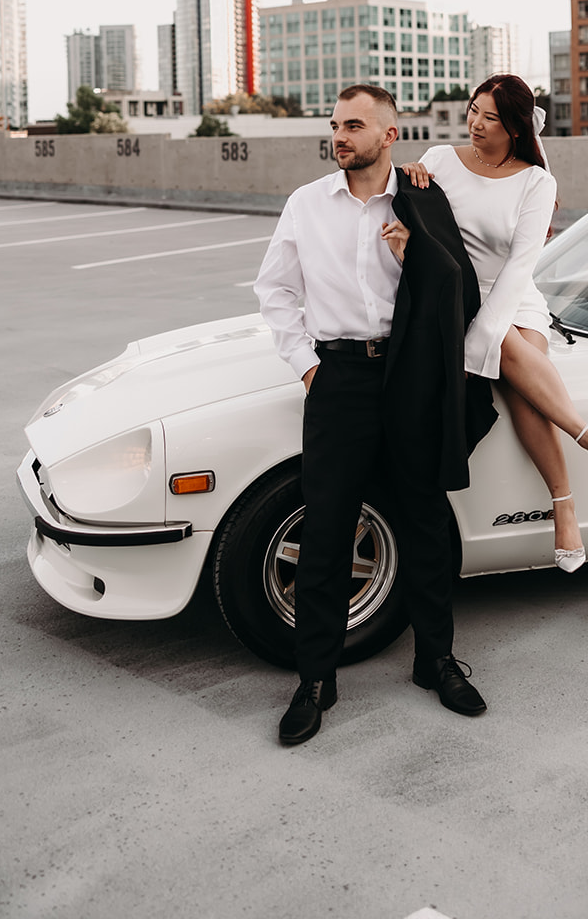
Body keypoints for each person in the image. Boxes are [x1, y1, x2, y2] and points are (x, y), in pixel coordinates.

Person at [254, 84, 495, 747]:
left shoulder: (421, 197)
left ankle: (436, 662)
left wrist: (410, 255)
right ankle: (315, 678)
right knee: (328, 528)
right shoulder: (306, 204)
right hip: (339, 377)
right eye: (334, 124)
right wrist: (307, 365)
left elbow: (459, 290)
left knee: (424, 522)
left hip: (410, 373)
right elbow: (273, 291)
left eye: (354, 125)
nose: (340, 135)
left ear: (389, 135)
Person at [401, 75, 588, 574]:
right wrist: (409, 177)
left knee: (513, 366)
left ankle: (567, 502)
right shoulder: (440, 159)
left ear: (516, 127)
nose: (477, 124)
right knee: (517, 372)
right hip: (453, 292)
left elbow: (519, 269)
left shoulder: (535, 180)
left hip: (512, 295)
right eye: (473, 111)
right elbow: (417, 220)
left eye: (492, 118)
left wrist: (477, 343)